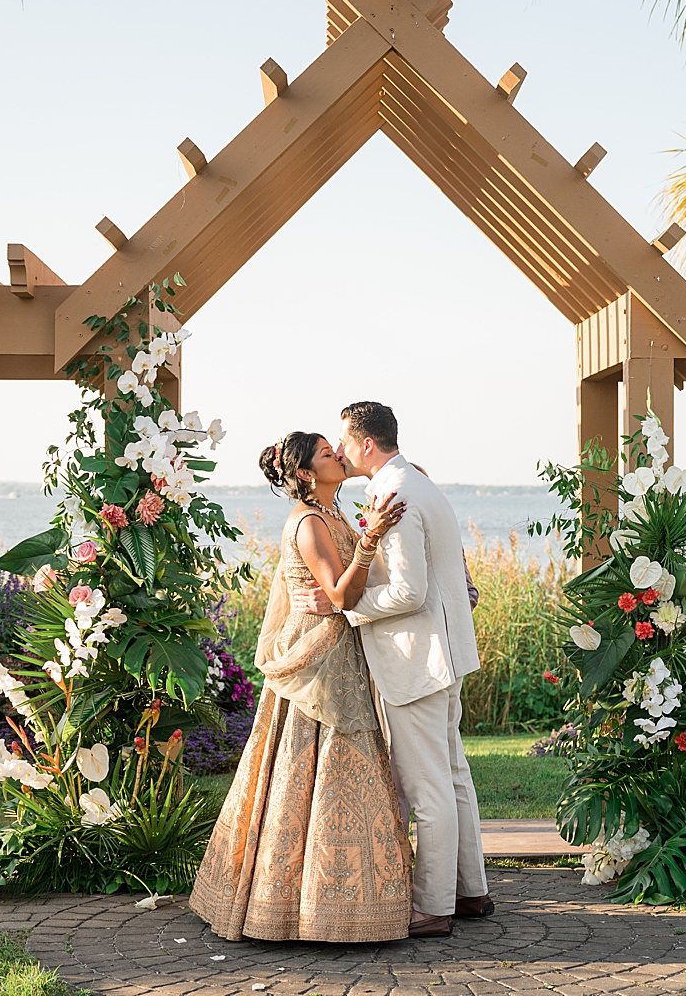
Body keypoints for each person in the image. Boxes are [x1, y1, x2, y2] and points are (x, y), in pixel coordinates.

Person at [188, 431, 413, 943]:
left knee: (346, 768)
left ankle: (349, 903)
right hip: (317, 663)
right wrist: (372, 538)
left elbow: (344, 596)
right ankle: (296, 907)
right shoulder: (310, 523)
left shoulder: (335, 513)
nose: (339, 454)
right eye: (328, 454)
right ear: (309, 473)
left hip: (342, 652)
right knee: (306, 767)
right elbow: (338, 592)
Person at [294, 401, 490, 939]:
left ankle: (432, 907)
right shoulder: (420, 483)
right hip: (445, 653)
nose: (338, 450)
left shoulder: (394, 492)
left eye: (343, 442)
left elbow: (409, 592)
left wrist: (344, 606)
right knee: (452, 776)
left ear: (366, 444)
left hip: (417, 660)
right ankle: (471, 891)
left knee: (427, 787)